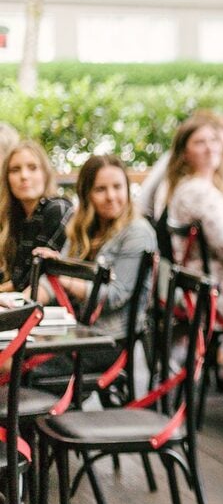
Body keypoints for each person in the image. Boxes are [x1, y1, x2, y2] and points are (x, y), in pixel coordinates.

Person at [32, 154, 157, 374]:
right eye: (101, 189)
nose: (111, 196)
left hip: (109, 340)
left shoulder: (137, 232)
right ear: (87, 194)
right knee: (12, 352)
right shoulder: (82, 226)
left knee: (16, 365)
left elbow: (116, 295)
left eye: (117, 187)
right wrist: (22, 305)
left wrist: (64, 278)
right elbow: (52, 281)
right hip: (76, 330)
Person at [158, 116, 223, 333]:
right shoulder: (196, 191)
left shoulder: (209, 187)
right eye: (200, 142)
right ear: (184, 153)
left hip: (210, 285)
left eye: (213, 140)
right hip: (215, 290)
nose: (210, 148)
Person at [0, 140, 71, 293]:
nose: (24, 176)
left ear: (45, 174)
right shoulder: (13, 218)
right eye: (15, 170)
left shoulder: (57, 209)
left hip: (52, 310)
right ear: (7, 178)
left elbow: (27, 280)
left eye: (33, 168)